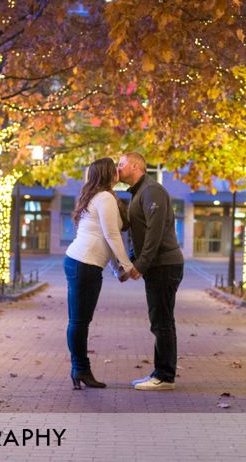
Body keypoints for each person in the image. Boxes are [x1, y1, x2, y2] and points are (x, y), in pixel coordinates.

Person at [64, 157, 134, 390]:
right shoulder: (104, 198)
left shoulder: (98, 196)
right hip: (84, 263)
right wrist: (127, 266)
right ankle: (80, 369)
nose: (118, 171)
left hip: (82, 262)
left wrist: (117, 269)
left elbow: (105, 237)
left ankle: (79, 369)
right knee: (79, 320)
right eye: (115, 169)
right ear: (108, 174)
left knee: (80, 320)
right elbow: (112, 235)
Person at [117, 152, 184, 391]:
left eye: (121, 164)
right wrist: (131, 262)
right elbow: (140, 233)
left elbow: (154, 234)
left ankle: (165, 376)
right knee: (161, 320)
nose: (118, 168)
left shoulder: (151, 191)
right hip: (159, 265)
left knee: (162, 321)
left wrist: (140, 265)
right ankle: (161, 373)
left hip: (164, 265)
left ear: (135, 166)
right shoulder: (139, 193)